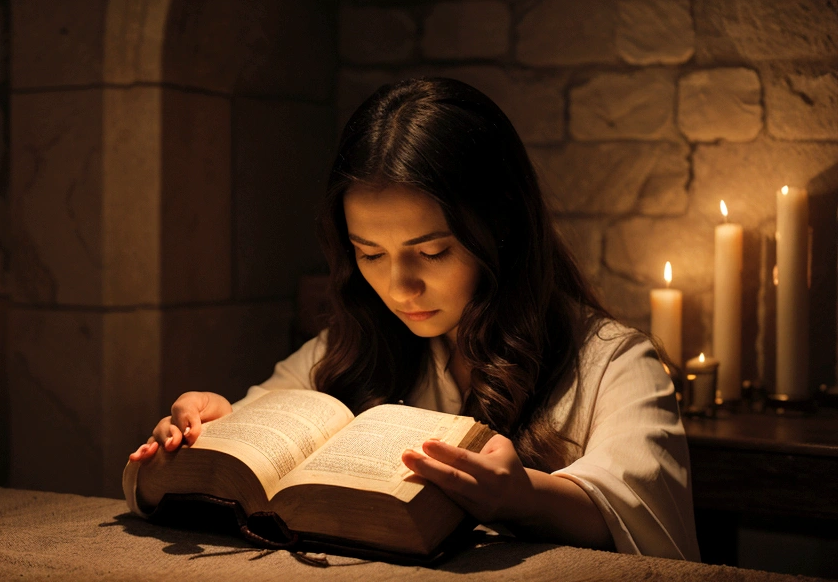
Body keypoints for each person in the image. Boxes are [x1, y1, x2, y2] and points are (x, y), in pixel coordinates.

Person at [126, 77, 700, 561]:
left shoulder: (612, 362)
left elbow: (645, 521)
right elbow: (264, 457)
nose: (399, 287)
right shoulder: (353, 345)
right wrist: (209, 434)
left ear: (498, 229)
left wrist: (524, 497)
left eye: (431, 252)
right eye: (370, 253)